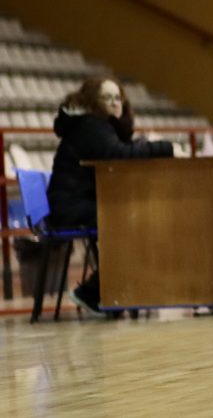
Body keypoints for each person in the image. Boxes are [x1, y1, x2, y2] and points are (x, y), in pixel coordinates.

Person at [47, 76, 175, 315]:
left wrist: (146, 144)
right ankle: (94, 292)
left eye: (118, 98)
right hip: (70, 207)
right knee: (131, 220)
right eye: (106, 98)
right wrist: (165, 147)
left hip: (77, 202)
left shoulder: (96, 125)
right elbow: (118, 154)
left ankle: (110, 290)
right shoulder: (90, 125)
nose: (115, 103)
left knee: (135, 217)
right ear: (91, 100)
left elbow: (116, 150)